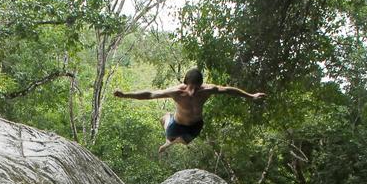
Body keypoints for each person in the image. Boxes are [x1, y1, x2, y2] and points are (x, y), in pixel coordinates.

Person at [113, 68, 266, 156]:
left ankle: (168, 143)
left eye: (196, 88)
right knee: (172, 136)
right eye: (189, 87)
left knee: (183, 142)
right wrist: (126, 95)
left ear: (201, 84)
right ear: (185, 83)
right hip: (178, 124)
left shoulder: (208, 90)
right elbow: (150, 94)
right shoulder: (176, 92)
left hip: (195, 125)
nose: (192, 92)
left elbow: (228, 90)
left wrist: (251, 96)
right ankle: (166, 118)